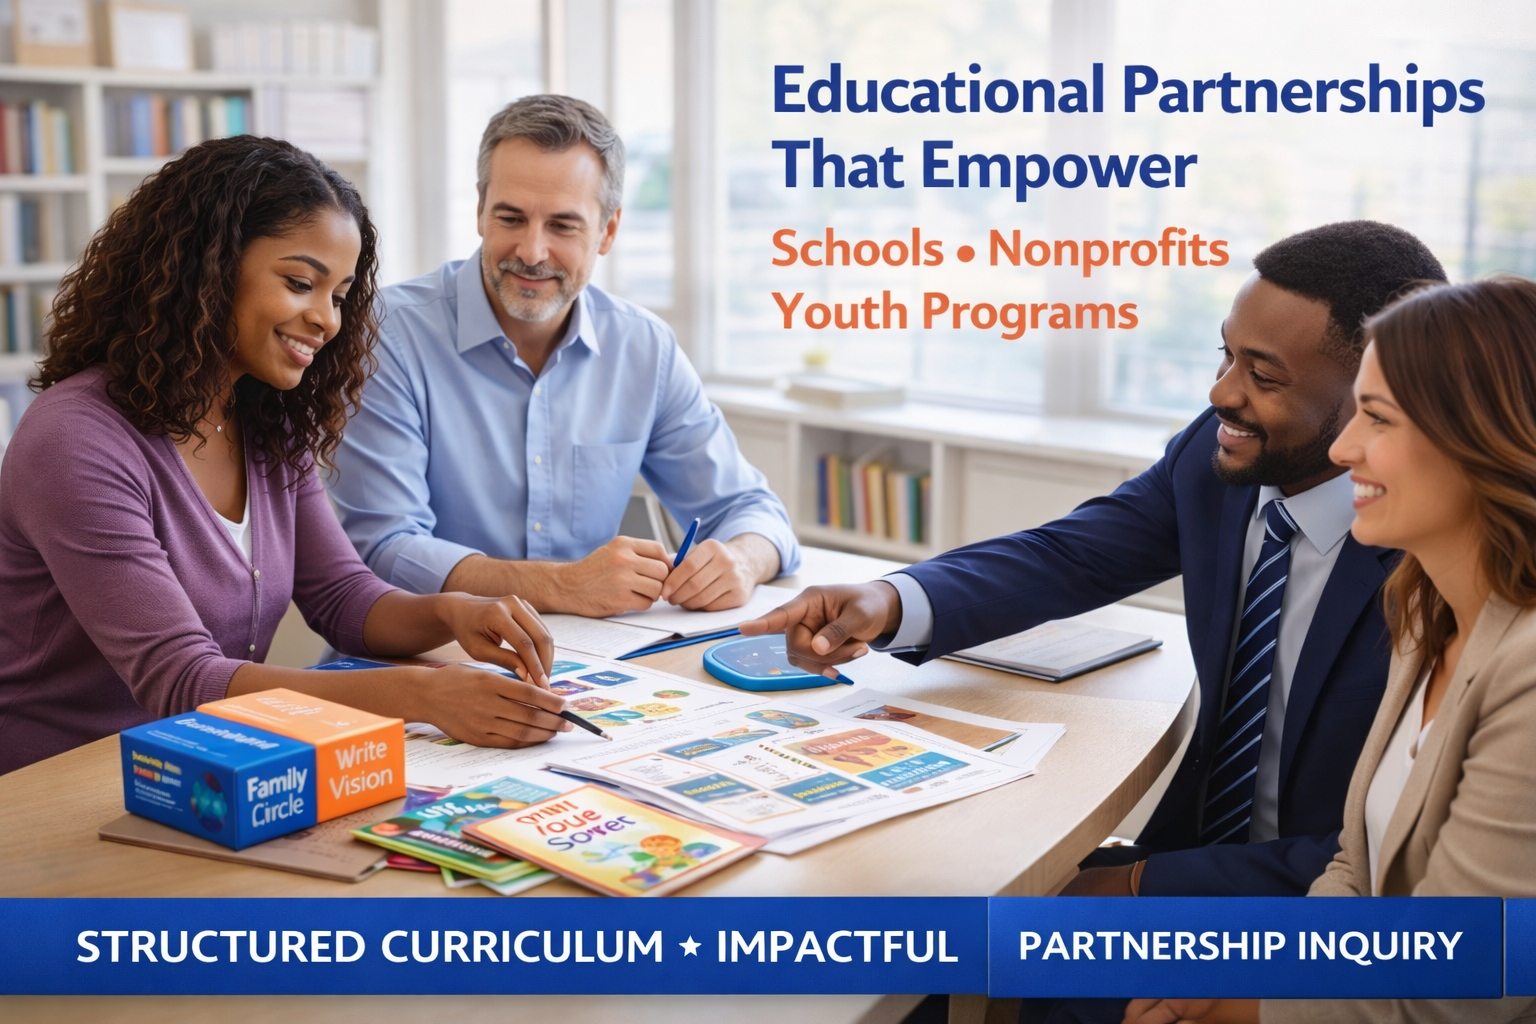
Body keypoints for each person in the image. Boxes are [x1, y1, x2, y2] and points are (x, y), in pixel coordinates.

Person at [744, 221, 1445, 902]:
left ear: (1376, 392)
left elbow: (1406, 847)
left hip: (1328, 908)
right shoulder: (1219, 452)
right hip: (1190, 852)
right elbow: (1070, 554)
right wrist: (892, 599)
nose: (1222, 393)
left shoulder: (1439, 559)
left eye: (1262, 374)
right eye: (1225, 356)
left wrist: (1139, 886)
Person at [0, 136, 569, 776]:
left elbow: (344, 599)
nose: (327, 321)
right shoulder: (75, 440)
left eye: (340, 295)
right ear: (206, 267)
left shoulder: (266, 419)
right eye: (301, 283)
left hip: (215, 774)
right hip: (58, 789)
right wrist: (419, 695)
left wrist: (451, 612)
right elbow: (181, 681)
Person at [1123, 278, 1536, 1024]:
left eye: (1376, 419)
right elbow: (1357, 865)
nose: (1343, 450)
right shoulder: (1425, 608)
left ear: (1484, 442)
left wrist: (1240, 1010)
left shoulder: (1527, 674)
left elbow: (1464, 980)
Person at [327, 94, 798, 619]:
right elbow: (385, 548)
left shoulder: (645, 350)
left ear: (608, 232)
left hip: (589, 669)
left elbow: (752, 510)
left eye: (563, 225)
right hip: (418, 659)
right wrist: (561, 587)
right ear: (481, 211)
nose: (531, 251)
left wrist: (742, 559)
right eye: (511, 217)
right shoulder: (386, 334)